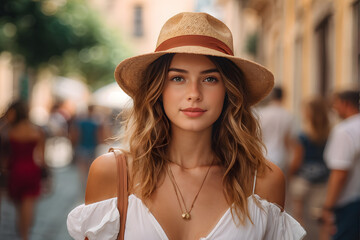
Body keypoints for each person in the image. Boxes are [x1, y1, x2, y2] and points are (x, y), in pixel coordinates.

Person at [67, 12, 305, 239]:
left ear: (228, 92)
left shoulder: (264, 181)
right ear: (158, 89)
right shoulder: (113, 173)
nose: (194, 94)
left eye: (210, 79)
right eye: (177, 78)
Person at [288, 97, 330, 237]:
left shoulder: (302, 135)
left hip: (302, 180)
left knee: (299, 220)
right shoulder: (329, 133)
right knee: (321, 220)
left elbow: (297, 160)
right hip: (323, 180)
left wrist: (289, 174)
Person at [321, 90, 360, 240]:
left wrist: (328, 207)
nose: (334, 108)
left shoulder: (344, 131)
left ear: (345, 104)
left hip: (349, 202)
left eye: (336, 103)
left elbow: (339, 173)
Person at [4, 100, 46, 240]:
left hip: (14, 170)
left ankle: (21, 231)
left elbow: (5, 155)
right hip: (31, 170)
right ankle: (25, 235)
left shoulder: (9, 131)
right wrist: (46, 177)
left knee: (18, 206)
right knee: (29, 205)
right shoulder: (36, 131)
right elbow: (41, 157)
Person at [257, 87, 296, 174]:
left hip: (264, 154)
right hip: (281, 156)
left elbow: (257, 137)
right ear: (283, 97)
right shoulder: (288, 116)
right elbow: (289, 140)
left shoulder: (262, 114)